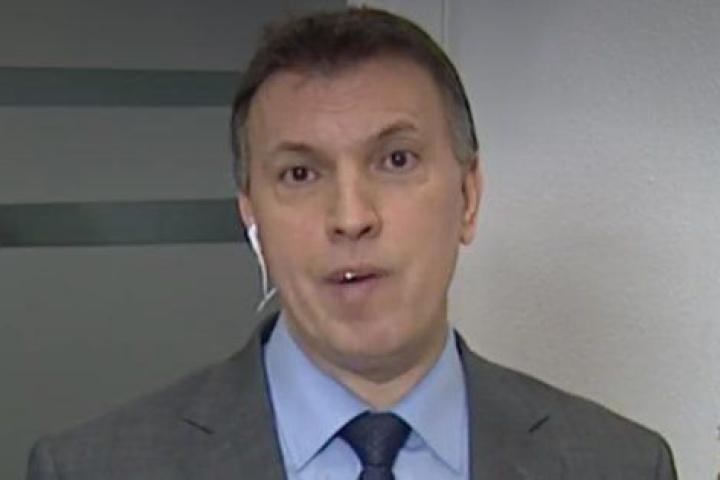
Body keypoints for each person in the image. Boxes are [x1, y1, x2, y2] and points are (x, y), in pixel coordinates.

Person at [27, 7, 677, 480]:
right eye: (300, 173)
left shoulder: (620, 464)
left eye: (396, 160)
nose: (351, 217)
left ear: (468, 196)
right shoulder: (90, 467)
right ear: (252, 217)